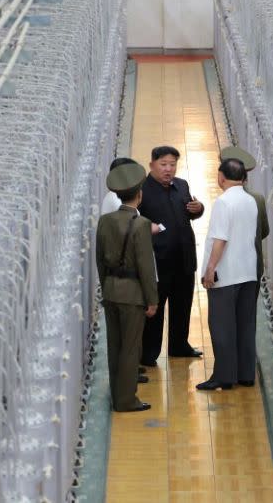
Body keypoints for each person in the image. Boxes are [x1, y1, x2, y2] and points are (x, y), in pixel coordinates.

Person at [95, 163, 158, 412]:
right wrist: (151, 299)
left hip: (111, 290)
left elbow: (100, 260)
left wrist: (106, 285)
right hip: (133, 295)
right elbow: (145, 265)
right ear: (139, 195)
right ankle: (126, 399)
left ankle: (116, 394)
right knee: (131, 349)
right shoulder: (141, 224)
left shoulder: (105, 221)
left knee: (115, 346)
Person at [137, 146, 205, 366]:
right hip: (158, 261)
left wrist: (198, 209)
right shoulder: (142, 191)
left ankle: (179, 345)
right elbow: (134, 221)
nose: (168, 169)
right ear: (152, 165)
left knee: (182, 305)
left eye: (172, 164)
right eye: (163, 164)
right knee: (154, 310)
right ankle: (149, 353)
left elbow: (189, 213)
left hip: (183, 259)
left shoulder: (181, 185)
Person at [197, 158, 259, 391]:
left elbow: (220, 239)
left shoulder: (223, 202)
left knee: (222, 326)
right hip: (248, 271)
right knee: (245, 324)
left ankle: (224, 376)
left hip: (227, 273)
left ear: (221, 177)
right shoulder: (250, 200)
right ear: (243, 177)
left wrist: (210, 269)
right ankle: (245, 374)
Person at [219, 146, 270, 282]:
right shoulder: (258, 199)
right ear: (245, 177)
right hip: (252, 268)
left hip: (229, 271)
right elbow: (264, 232)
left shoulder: (223, 202)